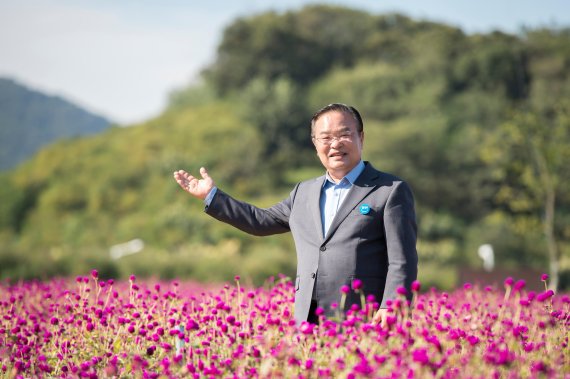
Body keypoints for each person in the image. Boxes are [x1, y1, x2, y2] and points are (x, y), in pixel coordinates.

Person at [173, 103, 418, 327]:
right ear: (315, 144)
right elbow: (260, 221)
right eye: (326, 138)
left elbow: (402, 258)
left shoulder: (389, 189)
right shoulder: (304, 192)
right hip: (309, 317)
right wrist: (212, 197)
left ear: (361, 138)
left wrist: (391, 305)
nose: (335, 144)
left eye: (344, 134)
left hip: (364, 316)